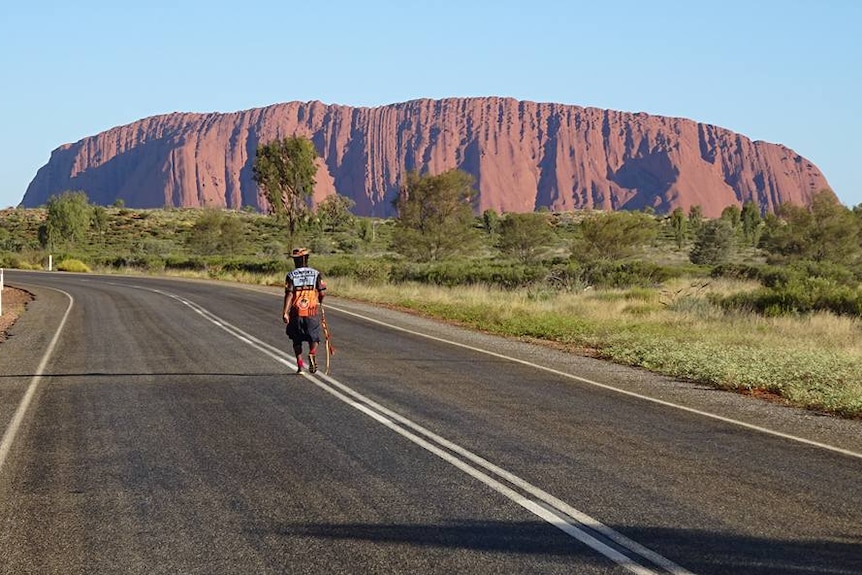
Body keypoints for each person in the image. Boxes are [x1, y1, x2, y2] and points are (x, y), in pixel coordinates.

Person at [282, 247, 327, 373]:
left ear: (297, 261)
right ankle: (312, 352)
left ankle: (300, 366)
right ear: (306, 259)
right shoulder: (316, 273)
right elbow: (322, 293)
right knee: (314, 337)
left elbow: (289, 294)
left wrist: (285, 312)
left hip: (296, 313)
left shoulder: (291, 275)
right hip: (311, 312)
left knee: (296, 340)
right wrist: (320, 302)